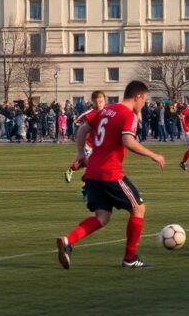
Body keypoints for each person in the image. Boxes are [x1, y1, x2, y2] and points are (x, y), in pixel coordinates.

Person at [56, 81, 166, 269]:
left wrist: (81, 153)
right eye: (144, 99)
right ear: (138, 97)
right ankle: (130, 259)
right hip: (110, 173)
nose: (144, 104)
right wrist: (153, 154)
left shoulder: (107, 110)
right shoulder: (127, 114)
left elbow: (82, 129)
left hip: (92, 173)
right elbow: (128, 141)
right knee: (139, 209)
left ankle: (68, 241)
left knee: (102, 217)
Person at [64, 91, 106, 183]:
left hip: (99, 144)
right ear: (92, 102)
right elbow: (76, 122)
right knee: (92, 164)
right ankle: (85, 179)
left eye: (101, 102)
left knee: (88, 163)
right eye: (96, 102)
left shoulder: (108, 112)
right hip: (88, 143)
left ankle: (72, 171)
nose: (99, 104)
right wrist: (81, 131)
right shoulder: (89, 113)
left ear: (105, 100)